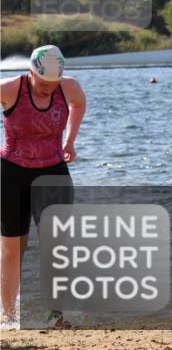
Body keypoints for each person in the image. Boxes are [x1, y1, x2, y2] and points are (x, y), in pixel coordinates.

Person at [1, 45, 86, 327]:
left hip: (53, 173)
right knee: (13, 249)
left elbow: (79, 104)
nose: (48, 89)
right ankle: (8, 319)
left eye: (53, 83)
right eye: (43, 83)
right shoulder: (10, 89)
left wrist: (70, 141)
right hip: (12, 175)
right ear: (31, 72)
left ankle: (55, 315)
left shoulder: (68, 88)